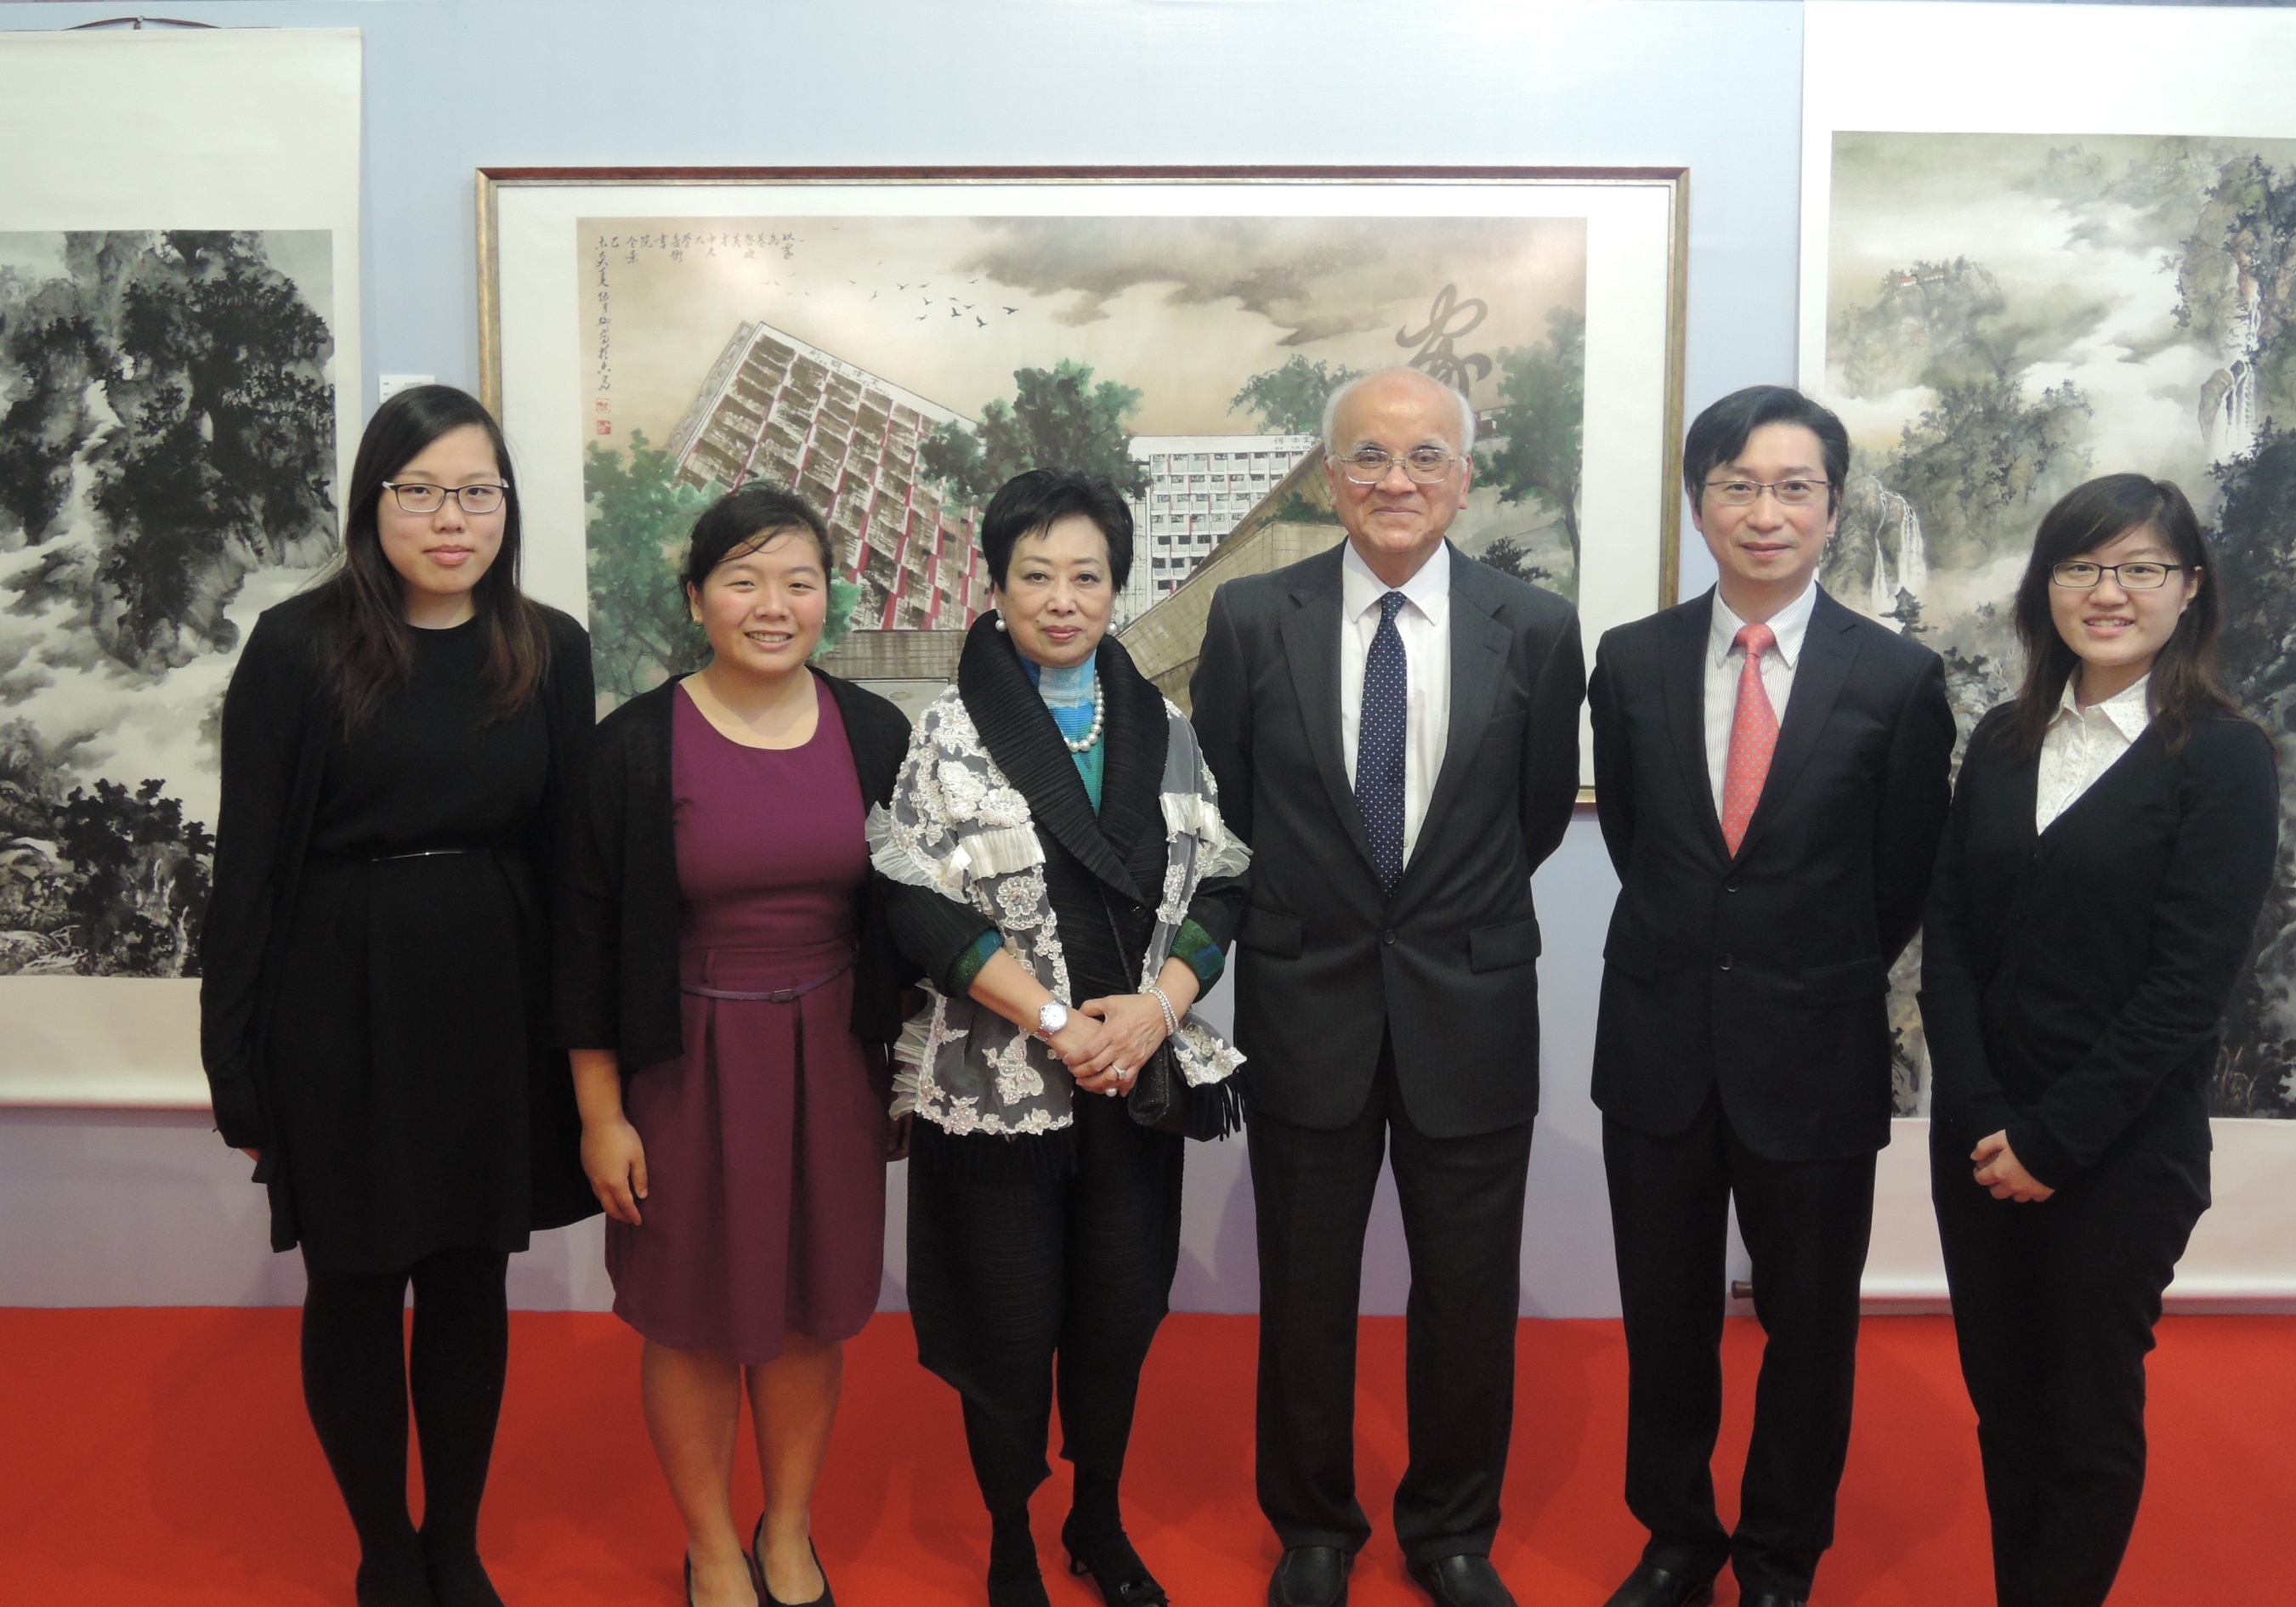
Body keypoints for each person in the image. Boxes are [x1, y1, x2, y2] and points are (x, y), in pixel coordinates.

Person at [1191, 367, 1586, 1607]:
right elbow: (1230, 814)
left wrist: (1433, 920)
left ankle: (1451, 1531)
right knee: (1303, 1289)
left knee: (1466, 1293)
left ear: (1464, 480)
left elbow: (1527, 822)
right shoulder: (1254, 618)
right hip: (1305, 1001)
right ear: (1327, 476)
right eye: (1367, 456)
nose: (1395, 481)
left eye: (1425, 458)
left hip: (1467, 1004)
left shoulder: (1531, 625)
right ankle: (1313, 1528)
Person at [199, 384, 599, 1607]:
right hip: (340, 992)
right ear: (373, 502)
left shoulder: (549, 645)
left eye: (477, 490)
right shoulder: (298, 643)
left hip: (495, 992)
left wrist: (585, 1050)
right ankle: (383, 1543)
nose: (450, 517)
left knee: (472, 1275)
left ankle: (456, 1538)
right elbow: (250, 862)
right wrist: (237, 1056)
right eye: (418, 490)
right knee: (359, 1278)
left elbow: (574, 861)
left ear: (506, 507)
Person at [1587, 385, 1955, 1607]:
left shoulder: (1897, 679)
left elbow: (1899, 877)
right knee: (1665, 1318)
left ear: (1833, 509)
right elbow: (1644, 844)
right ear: (1698, 505)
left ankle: (1782, 1556)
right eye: (1736, 485)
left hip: (1813, 1054)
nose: (1764, 511)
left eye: (1793, 487)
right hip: (1658, 1052)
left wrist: (1792, 968)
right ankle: (1675, 1540)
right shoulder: (1630, 662)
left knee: (1808, 1330)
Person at [870, 467, 1248, 1607]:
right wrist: (1049, 1020)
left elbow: (1223, 882)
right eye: (1035, 574)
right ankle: (1006, 1539)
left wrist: (1159, 1008)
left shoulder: (1167, 728)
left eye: (1087, 575)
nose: (1062, 597)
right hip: (1002, 1090)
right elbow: (912, 902)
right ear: (995, 587)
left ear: (1116, 589)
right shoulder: (944, 732)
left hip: (1134, 1076)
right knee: (1005, 1319)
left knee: (1114, 1312)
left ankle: (1096, 1519)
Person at [549, 484, 916, 1607]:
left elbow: (913, 916)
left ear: (826, 599)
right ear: (696, 598)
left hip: (834, 1059)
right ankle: (710, 1541)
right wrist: (600, 1113)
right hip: (685, 1065)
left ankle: (789, 1528)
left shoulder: (874, 731)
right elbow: (583, 944)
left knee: (811, 1311)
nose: (774, 605)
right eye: (744, 580)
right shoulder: (630, 749)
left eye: (798, 580)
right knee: (693, 1318)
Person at [1919, 474, 2276, 1607]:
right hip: (1978, 1145)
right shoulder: (2002, 738)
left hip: (2117, 1156)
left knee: (2082, 1418)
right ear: (2044, 588)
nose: (2106, 592)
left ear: (2188, 592)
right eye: (2079, 566)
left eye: (2139, 569)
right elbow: (1953, 943)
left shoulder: (2221, 756)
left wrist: (2051, 1144)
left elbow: (2185, 991)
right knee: (2005, 1410)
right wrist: (1980, 1120)